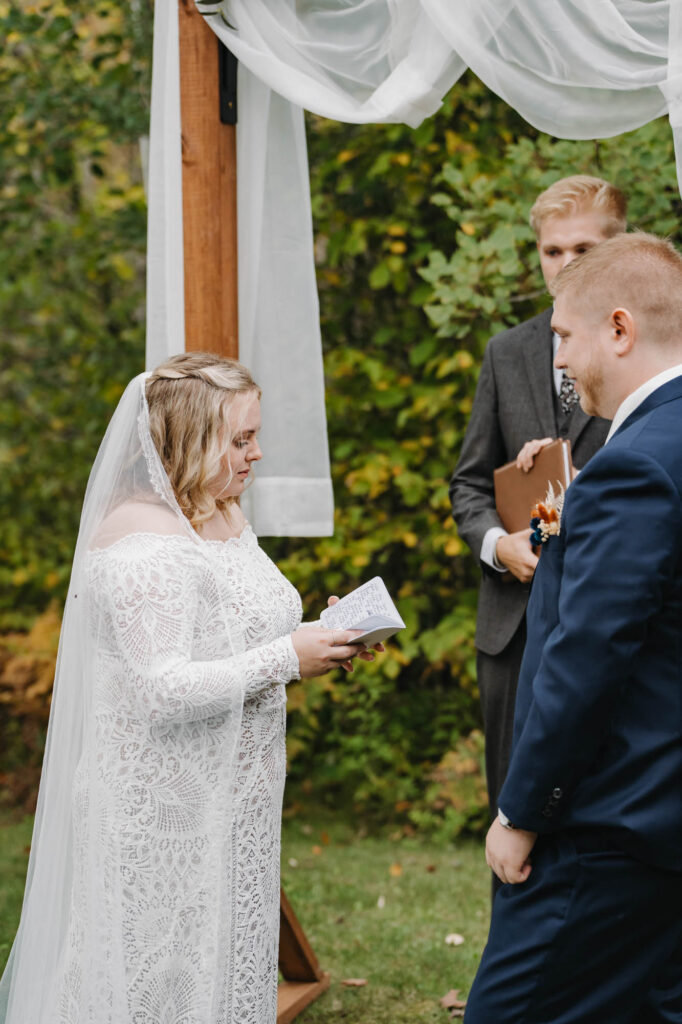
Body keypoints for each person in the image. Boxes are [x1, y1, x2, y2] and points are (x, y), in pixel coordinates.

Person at [0, 353, 379, 1024]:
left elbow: (236, 630)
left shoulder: (218, 511)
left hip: (231, 798)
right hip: (159, 810)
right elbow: (164, 689)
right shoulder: (147, 545)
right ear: (184, 439)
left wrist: (321, 636)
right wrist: (287, 658)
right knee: (158, 979)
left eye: (255, 435)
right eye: (240, 440)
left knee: (221, 965)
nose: (256, 453)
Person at [465, 232, 682, 1022]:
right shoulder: (658, 448)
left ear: (618, 330)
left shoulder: (639, 465)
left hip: (611, 823)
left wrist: (522, 814)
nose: (556, 361)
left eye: (563, 336)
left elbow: (587, 662)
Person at [449, 175, 622, 824]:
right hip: (513, 623)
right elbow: (468, 481)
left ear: (617, 247)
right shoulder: (507, 351)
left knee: (597, 797)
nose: (566, 264)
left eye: (583, 248)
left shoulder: (647, 346)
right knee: (511, 804)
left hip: (604, 609)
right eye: (553, 251)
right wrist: (499, 547)